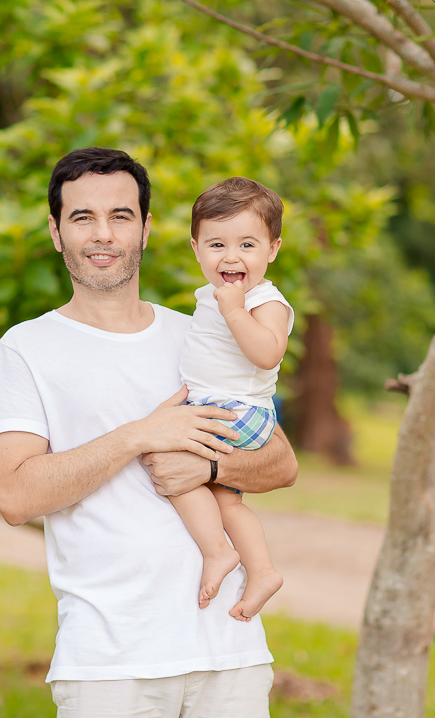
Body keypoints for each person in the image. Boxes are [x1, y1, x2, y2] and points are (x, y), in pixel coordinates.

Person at [0, 147, 297, 718]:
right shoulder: (28, 347)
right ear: (55, 230)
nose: (103, 234)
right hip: (111, 659)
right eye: (83, 218)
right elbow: (14, 493)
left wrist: (206, 461)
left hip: (229, 647)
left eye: (120, 216)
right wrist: (138, 436)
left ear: (148, 230)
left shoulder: (203, 331)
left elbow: (279, 462)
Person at [172, 177, 292, 621]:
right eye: (217, 244)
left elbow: (267, 353)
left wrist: (235, 311)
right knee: (226, 501)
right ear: (196, 248)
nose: (232, 256)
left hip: (240, 412)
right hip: (218, 406)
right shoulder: (212, 296)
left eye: (247, 244)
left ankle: (217, 551)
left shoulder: (264, 300)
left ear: (272, 249)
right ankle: (261, 569)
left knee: (168, 464)